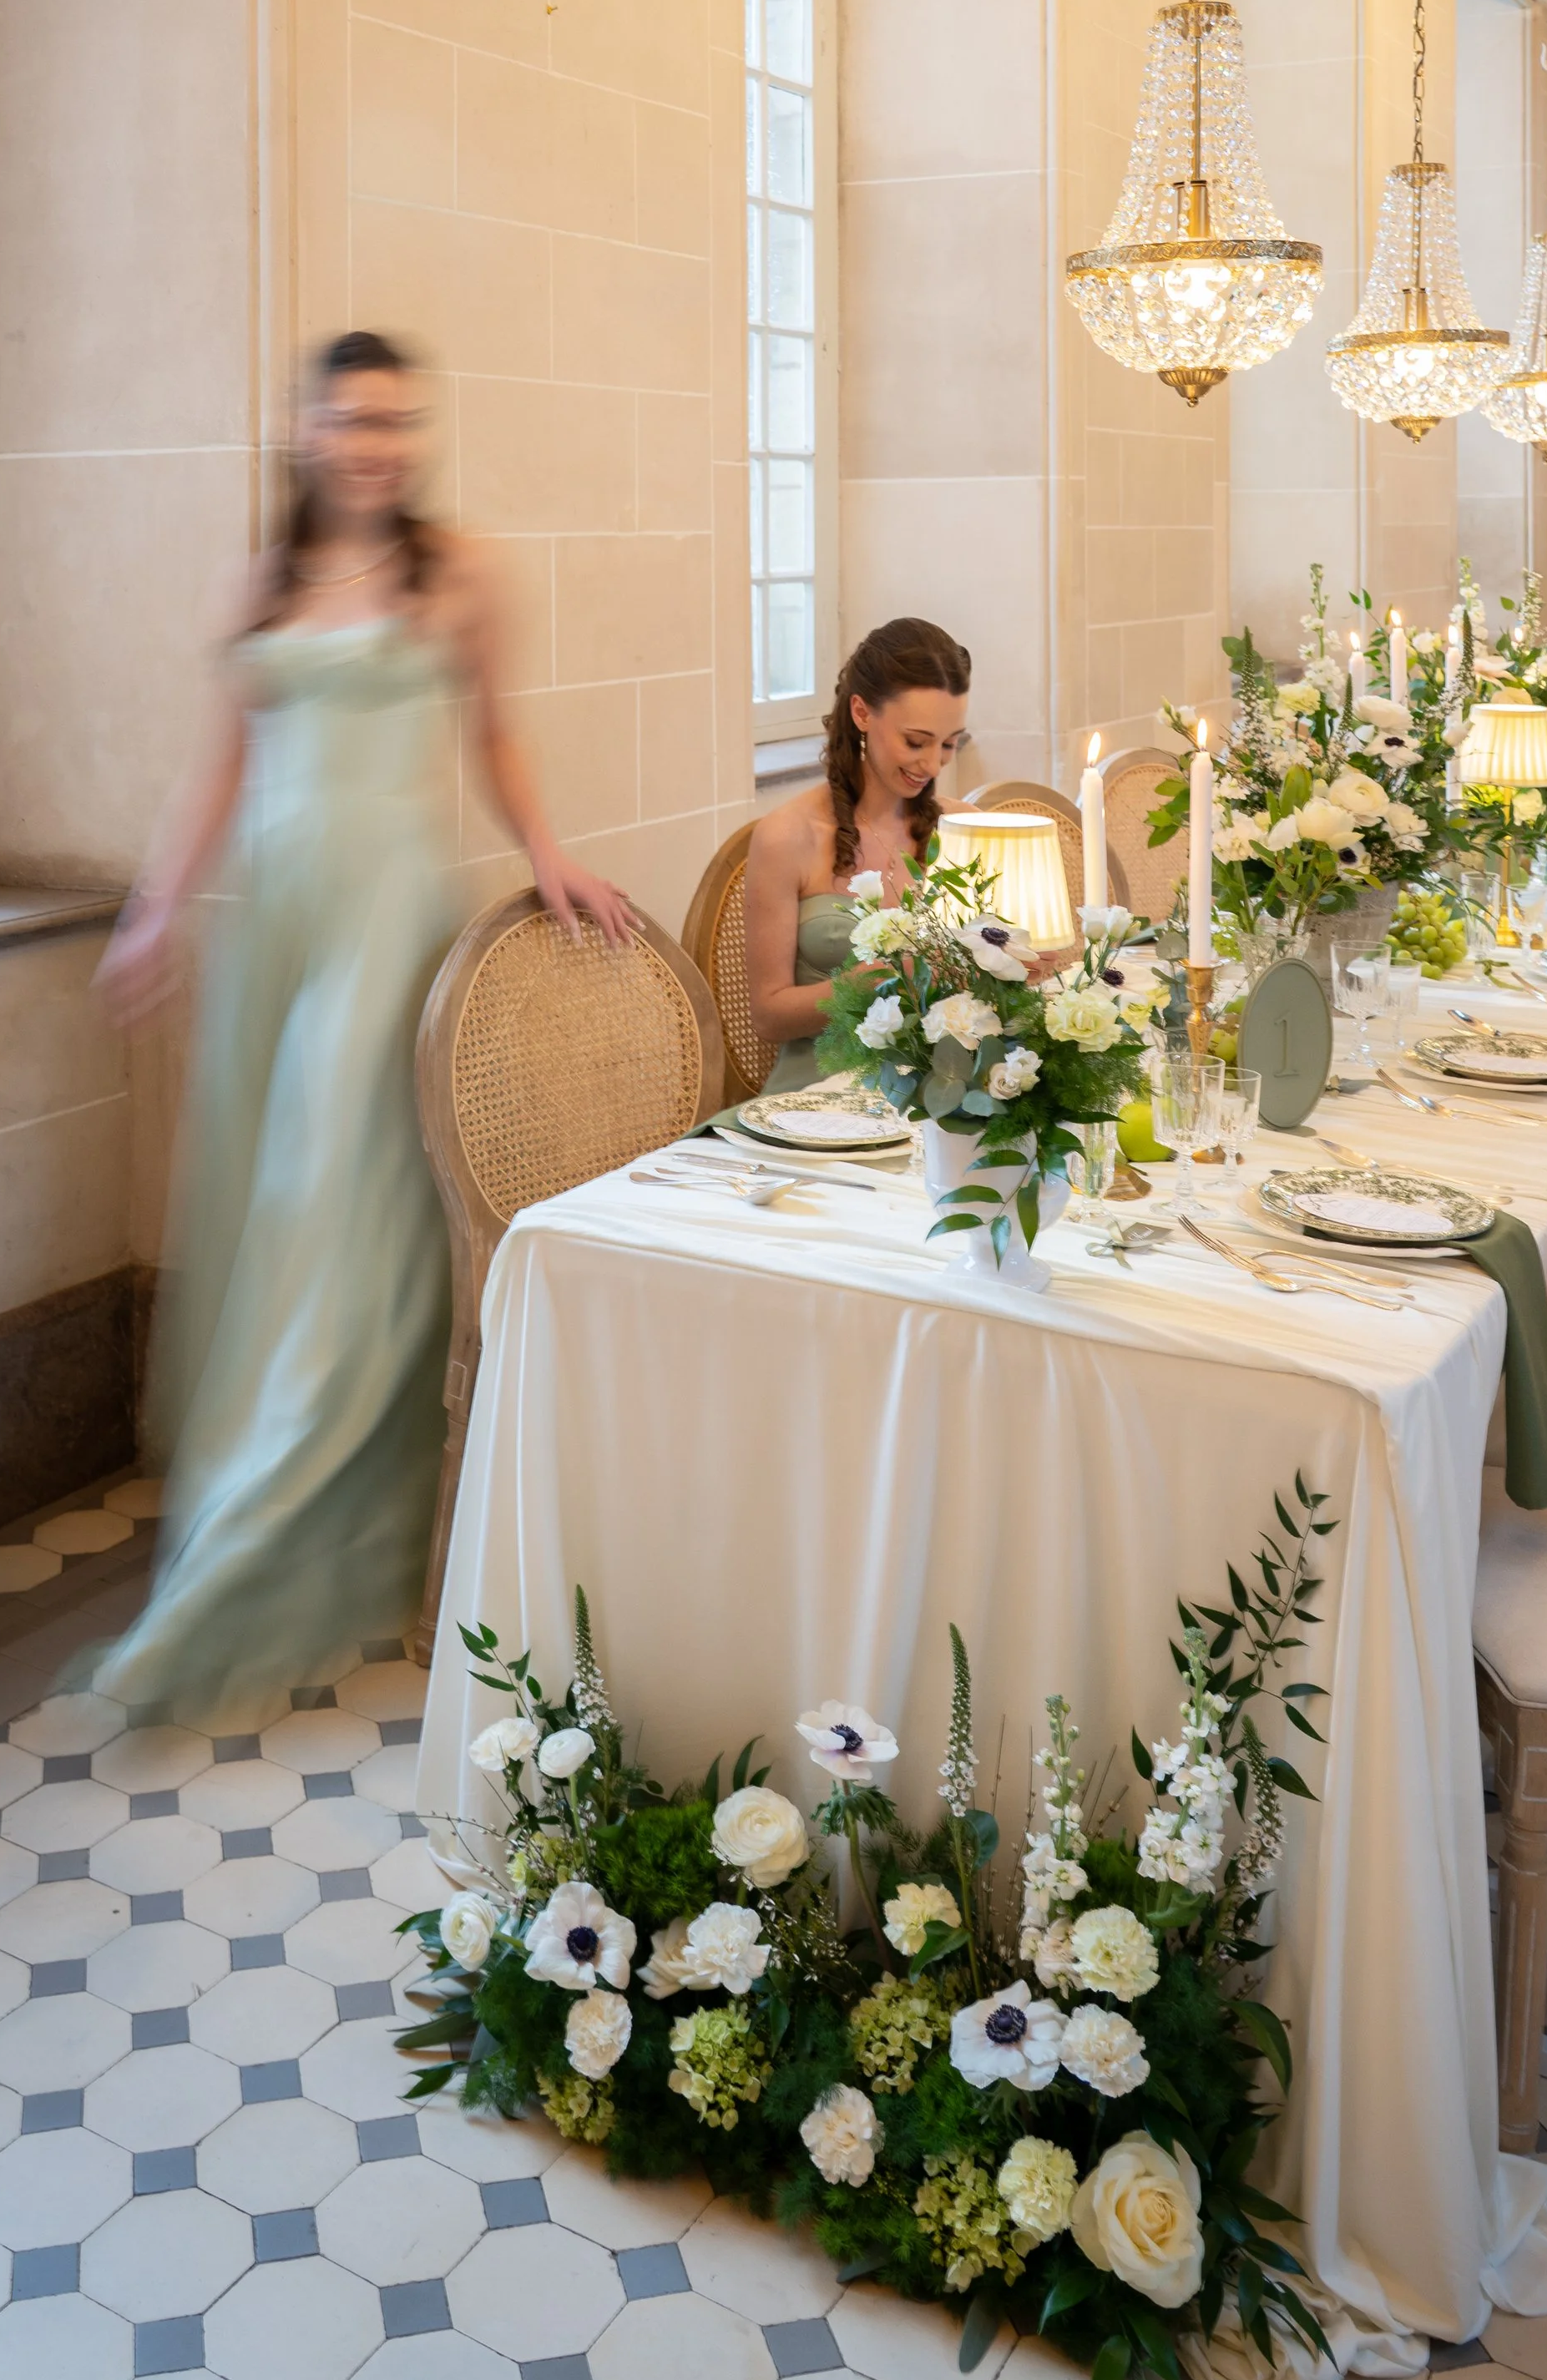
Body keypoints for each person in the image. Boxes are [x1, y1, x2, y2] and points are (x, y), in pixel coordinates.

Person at [91, 331, 630, 1710]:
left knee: (328, 1190)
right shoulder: (261, 582)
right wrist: (156, 909)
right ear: (310, 433)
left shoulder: (458, 574)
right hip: (275, 925)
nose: (375, 446)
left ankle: (270, 1541)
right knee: (279, 1216)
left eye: (396, 423)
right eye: (351, 422)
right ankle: (275, 1499)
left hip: (385, 920)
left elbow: (497, 736)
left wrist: (549, 853)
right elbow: (221, 765)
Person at [745, 619, 973, 1092]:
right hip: (817, 1096)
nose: (932, 765)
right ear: (862, 713)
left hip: (944, 1092)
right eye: (916, 742)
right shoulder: (786, 837)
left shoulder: (963, 828)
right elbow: (767, 1016)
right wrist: (867, 984)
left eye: (949, 744)